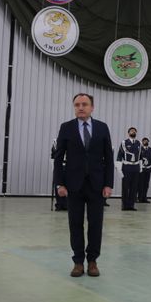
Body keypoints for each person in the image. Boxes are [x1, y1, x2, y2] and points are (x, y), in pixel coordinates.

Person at [53, 93, 114, 278]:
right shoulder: (67, 128)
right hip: (74, 185)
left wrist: (108, 184)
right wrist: (60, 183)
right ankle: (78, 262)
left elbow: (109, 158)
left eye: (84, 104)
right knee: (75, 224)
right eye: (77, 104)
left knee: (96, 224)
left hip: (96, 185)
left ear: (92, 107)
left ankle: (93, 261)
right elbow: (58, 158)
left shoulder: (102, 128)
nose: (81, 107)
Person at [116, 127, 141, 211]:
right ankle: (125, 205)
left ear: (136, 133)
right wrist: (119, 169)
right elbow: (119, 156)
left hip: (136, 167)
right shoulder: (124, 143)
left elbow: (140, 157)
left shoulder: (139, 143)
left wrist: (140, 168)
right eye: (131, 131)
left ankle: (131, 205)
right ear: (128, 133)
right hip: (127, 167)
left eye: (134, 131)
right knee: (125, 186)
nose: (133, 132)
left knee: (134, 187)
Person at [51, 138, 67, 211]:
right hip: (59, 166)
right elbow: (53, 155)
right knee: (58, 185)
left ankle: (66, 204)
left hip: (69, 166)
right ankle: (60, 204)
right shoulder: (56, 141)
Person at [138, 137, 151, 203]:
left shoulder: (150, 149)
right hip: (142, 169)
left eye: (146, 141)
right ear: (142, 142)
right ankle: (139, 198)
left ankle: (144, 198)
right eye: (144, 141)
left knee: (146, 184)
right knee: (140, 184)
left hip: (148, 169)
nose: (145, 142)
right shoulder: (140, 149)